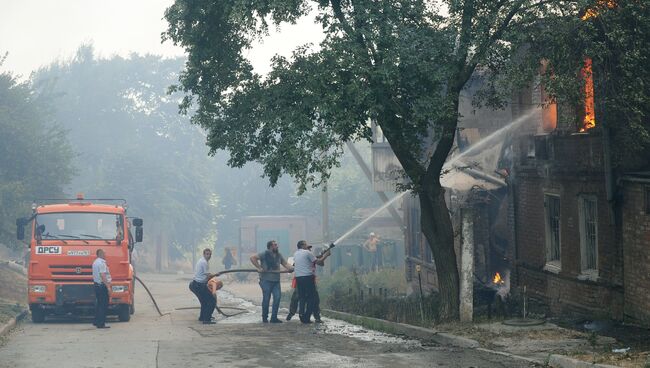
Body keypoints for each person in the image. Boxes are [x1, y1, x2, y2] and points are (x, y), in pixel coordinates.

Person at [250, 240, 293, 323]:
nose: (277, 246)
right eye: (275, 245)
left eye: (276, 245)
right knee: (266, 298)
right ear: (270, 246)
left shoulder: (278, 255)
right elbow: (252, 258)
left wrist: (290, 268)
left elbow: (285, 263)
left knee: (277, 298)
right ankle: (265, 317)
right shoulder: (264, 254)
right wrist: (259, 267)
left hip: (276, 281)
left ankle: (274, 318)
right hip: (265, 280)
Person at [293, 240, 331, 324]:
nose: (309, 249)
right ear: (302, 246)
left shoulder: (296, 254)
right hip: (308, 278)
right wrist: (326, 255)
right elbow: (320, 262)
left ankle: (302, 316)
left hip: (299, 278)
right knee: (313, 299)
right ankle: (307, 317)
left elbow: (319, 262)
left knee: (302, 298)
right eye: (307, 246)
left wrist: (321, 255)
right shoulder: (307, 253)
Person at [189, 248, 217, 324]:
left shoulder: (202, 261)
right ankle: (207, 319)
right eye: (207, 254)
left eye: (210, 254)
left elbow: (207, 276)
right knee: (212, 301)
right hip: (198, 285)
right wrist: (215, 275)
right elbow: (208, 276)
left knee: (204, 301)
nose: (209, 256)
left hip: (195, 284)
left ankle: (202, 317)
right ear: (204, 254)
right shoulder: (204, 262)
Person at [92, 249, 111, 329]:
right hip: (102, 286)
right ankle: (101, 323)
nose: (105, 255)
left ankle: (96, 321)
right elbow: (103, 275)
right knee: (103, 305)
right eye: (104, 253)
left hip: (96, 285)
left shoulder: (95, 262)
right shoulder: (102, 263)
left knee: (99, 304)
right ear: (101, 254)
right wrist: (108, 287)